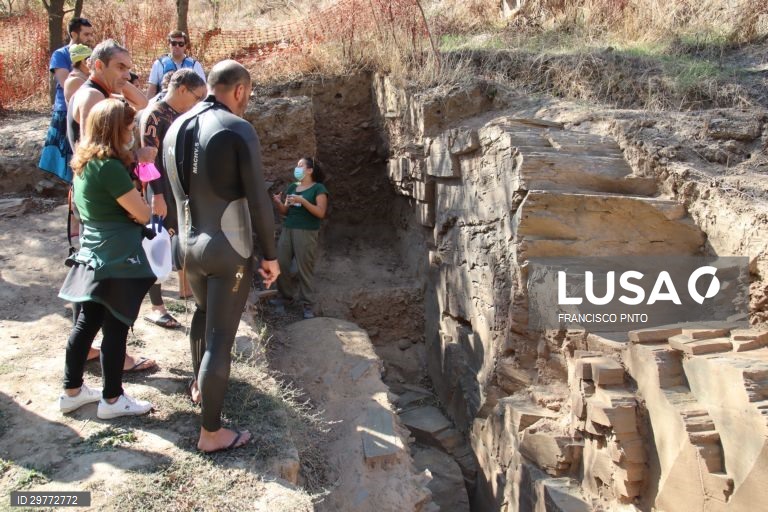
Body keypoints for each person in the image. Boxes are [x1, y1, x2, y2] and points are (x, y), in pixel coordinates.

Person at [163, 60, 279, 452]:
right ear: (240, 90)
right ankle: (211, 433)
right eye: (248, 95)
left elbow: (170, 195)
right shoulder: (236, 128)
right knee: (220, 338)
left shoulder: (175, 126)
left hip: (187, 246)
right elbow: (259, 199)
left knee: (201, 314)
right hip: (227, 248)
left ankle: (200, 385)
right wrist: (270, 255)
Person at [58, 99, 156, 419]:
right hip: (117, 258)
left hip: (93, 252)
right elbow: (143, 214)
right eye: (129, 128)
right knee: (116, 327)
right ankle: (112, 400)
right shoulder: (110, 168)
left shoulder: (84, 164)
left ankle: (72, 391)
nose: (131, 134)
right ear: (116, 130)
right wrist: (144, 197)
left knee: (86, 324)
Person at [68, 38, 156, 373]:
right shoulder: (92, 97)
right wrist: (135, 157)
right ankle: (112, 357)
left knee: (94, 281)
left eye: (129, 68)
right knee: (102, 284)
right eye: (120, 66)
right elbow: (100, 146)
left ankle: (92, 350)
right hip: (104, 197)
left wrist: (121, 80)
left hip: (103, 190)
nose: (127, 74)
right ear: (96, 64)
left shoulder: (103, 92)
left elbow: (143, 102)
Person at [140, 69, 206, 328]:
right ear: (182, 89)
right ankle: (156, 307)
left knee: (181, 240)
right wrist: (157, 194)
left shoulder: (182, 114)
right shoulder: (155, 114)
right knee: (158, 244)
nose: (198, 102)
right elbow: (146, 161)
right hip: (161, 190)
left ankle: (189, 291)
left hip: (179, 189)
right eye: (197, 96)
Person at [38, 17, 94, 183]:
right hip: (65, 110)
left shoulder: (90, 55)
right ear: (74, 34)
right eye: (86, 34)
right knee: (70, 160)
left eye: (91, 34)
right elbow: (65, 83)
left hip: (87, 109)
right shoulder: (61, 55)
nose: (90, 38)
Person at [271, 157, 328, 319]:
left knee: (305, 267)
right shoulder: (292, 187)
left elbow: (321, 213)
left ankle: (307, 304)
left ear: (310, 170)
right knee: (281, 263)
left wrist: (303, 201)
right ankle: (286, 297)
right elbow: (285, 211)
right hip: (288, 229)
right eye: (297, 165)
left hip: (306, 231)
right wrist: (278, 203)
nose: (297, 168)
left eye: (301, 165)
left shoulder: (318, 188)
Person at [146, 30, 205, 98]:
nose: (177, 46)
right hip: (164, 101)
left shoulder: (195, 65)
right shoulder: (159, 64)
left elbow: (203, 90)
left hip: (189, 102)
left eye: (181, 44)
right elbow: (152, 89)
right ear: (169, 45)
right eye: (173, 43)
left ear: (185, 46)